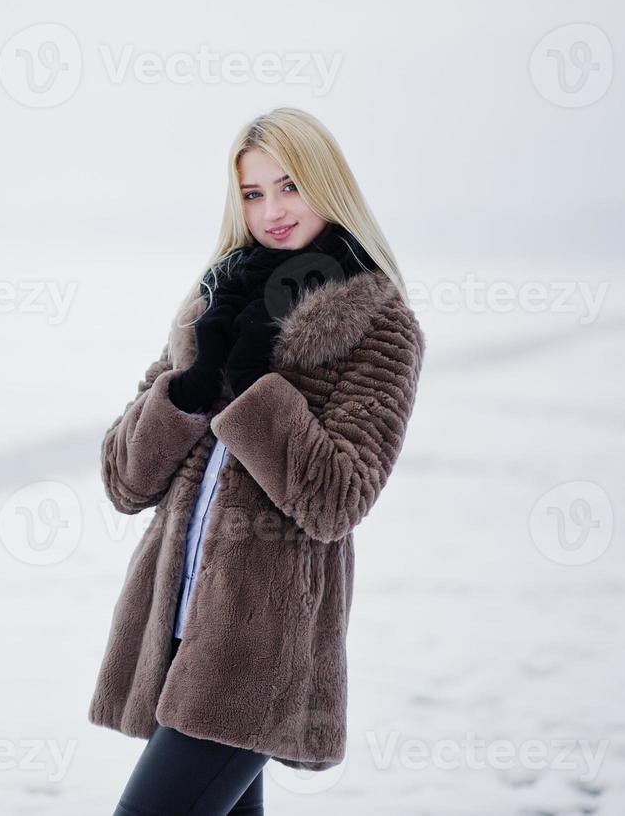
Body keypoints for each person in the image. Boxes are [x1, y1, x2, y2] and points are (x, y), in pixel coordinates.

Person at [88, 107, 426, 815]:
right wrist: (187, 387)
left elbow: (335, 500)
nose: (270, 210)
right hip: (175, 627)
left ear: (327, 187)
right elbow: (124, 482)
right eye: (251, 193)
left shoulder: (378, 323)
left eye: (289, 186)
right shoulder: (212, 303)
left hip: (259, 649)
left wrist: (251, 390)